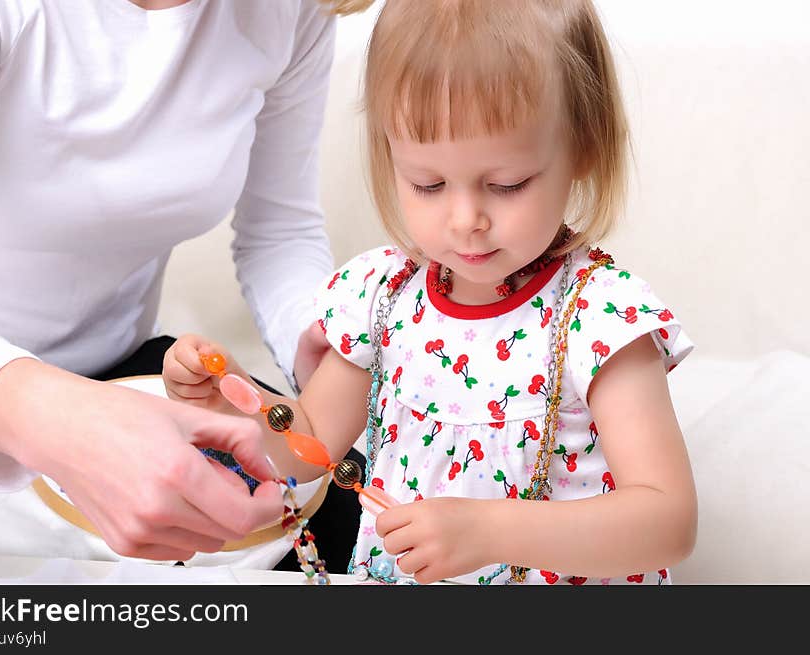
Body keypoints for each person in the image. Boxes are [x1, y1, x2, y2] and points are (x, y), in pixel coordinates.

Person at [162, 0, 699, 585]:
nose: (466, 218)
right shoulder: (383, 299)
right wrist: (235, 401)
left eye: (507, 184)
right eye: (428, 183)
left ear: (583, 150)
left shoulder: (600, 318)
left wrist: (490, 530)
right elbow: (303, 453)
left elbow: (667, 523)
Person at [0, 0, 373, 572]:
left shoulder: (290, 12)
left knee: (365, 536)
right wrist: (63, 423)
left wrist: (336, 351)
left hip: (127, 375)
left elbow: (279, 233)